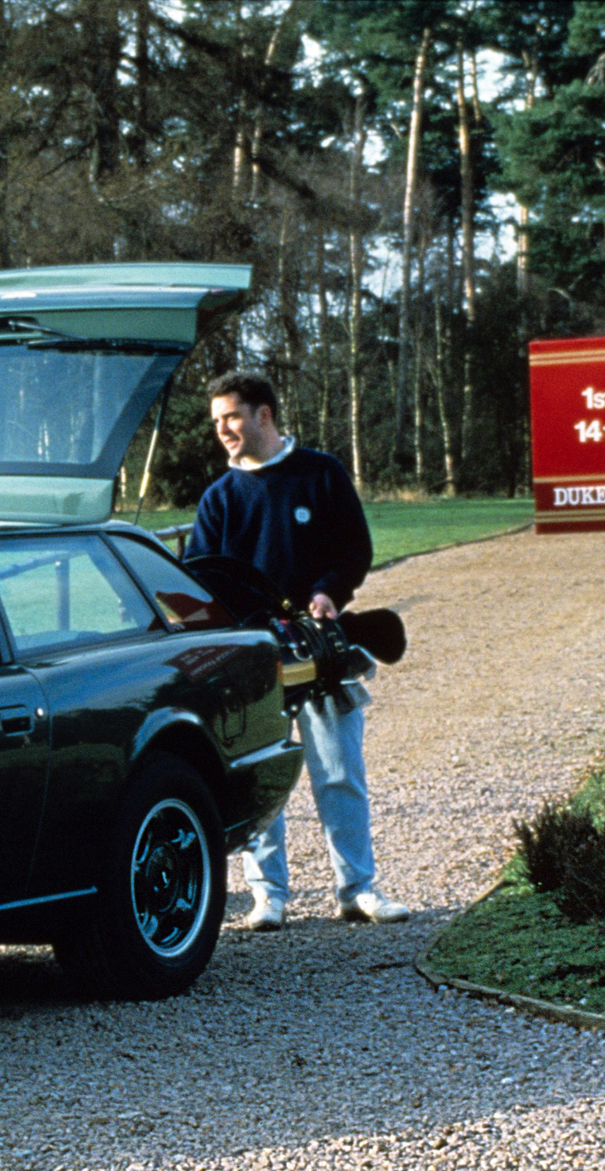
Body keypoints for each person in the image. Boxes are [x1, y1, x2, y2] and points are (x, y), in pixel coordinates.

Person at [189, 370, 411, 930]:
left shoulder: (321, 474)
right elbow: (199, 580)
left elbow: (354, 549)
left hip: (324, 647)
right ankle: (268, 896)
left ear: (264, 414)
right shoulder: (219, 499)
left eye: (232, 417)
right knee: (262, 777)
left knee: (338, 770)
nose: (223, 430)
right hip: (254, 659)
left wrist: (327, 593)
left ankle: (357, 889)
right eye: (217, 421)